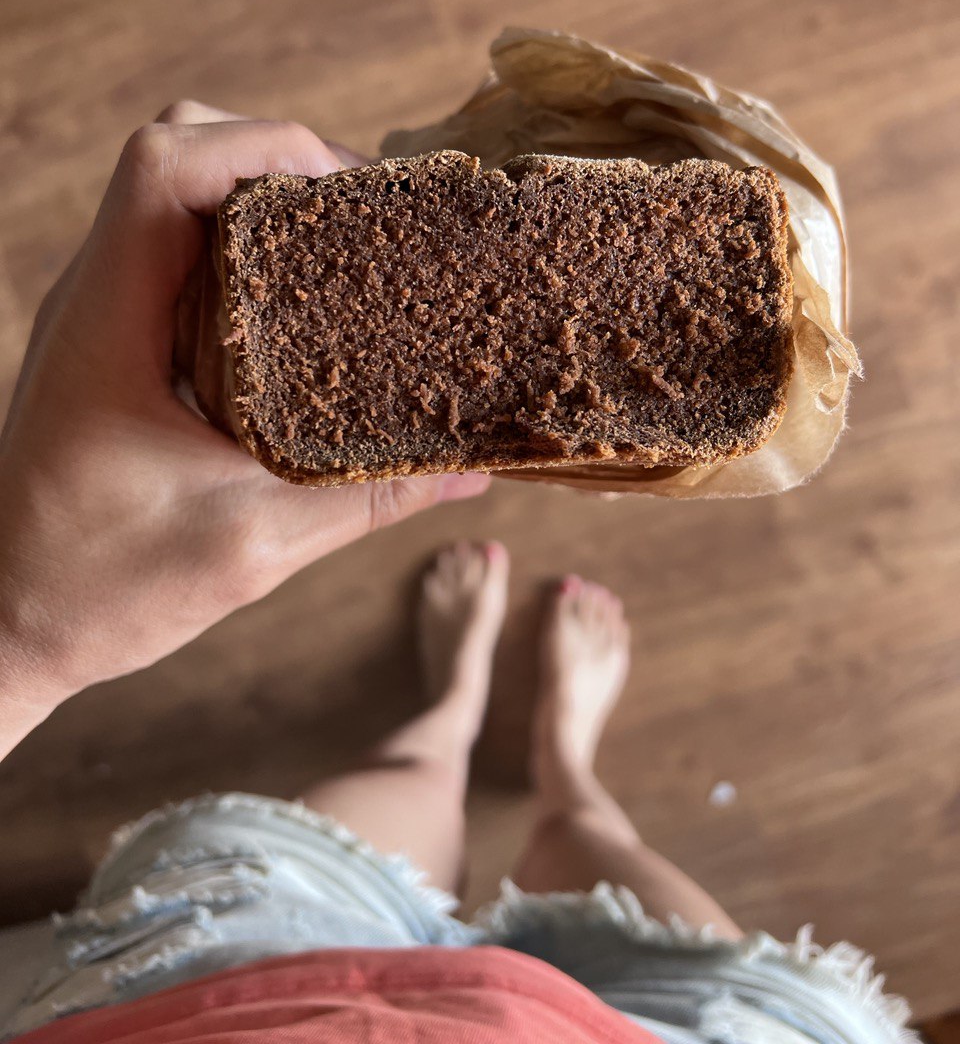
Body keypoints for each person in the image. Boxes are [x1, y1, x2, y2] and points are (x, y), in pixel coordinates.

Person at [0, 104, 913, 1044]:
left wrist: (18, 641)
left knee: (403, 784)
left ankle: (454, 723)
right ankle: (560, 764)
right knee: (592, 845)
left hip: (231, 990)